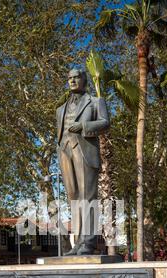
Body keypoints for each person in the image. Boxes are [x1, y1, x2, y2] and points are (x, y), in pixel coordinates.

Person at [56, 68, 110, 255]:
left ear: (84, 80)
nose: (72, 81)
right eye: (69, 78)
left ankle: (88, 242)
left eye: (76, 77)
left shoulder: (95, 102)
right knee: (73, 198)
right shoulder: (60, 110)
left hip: (84, 151)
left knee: (87, 197)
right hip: (65, 152)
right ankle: (78, 243)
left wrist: (84, 126)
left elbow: (105, 123)